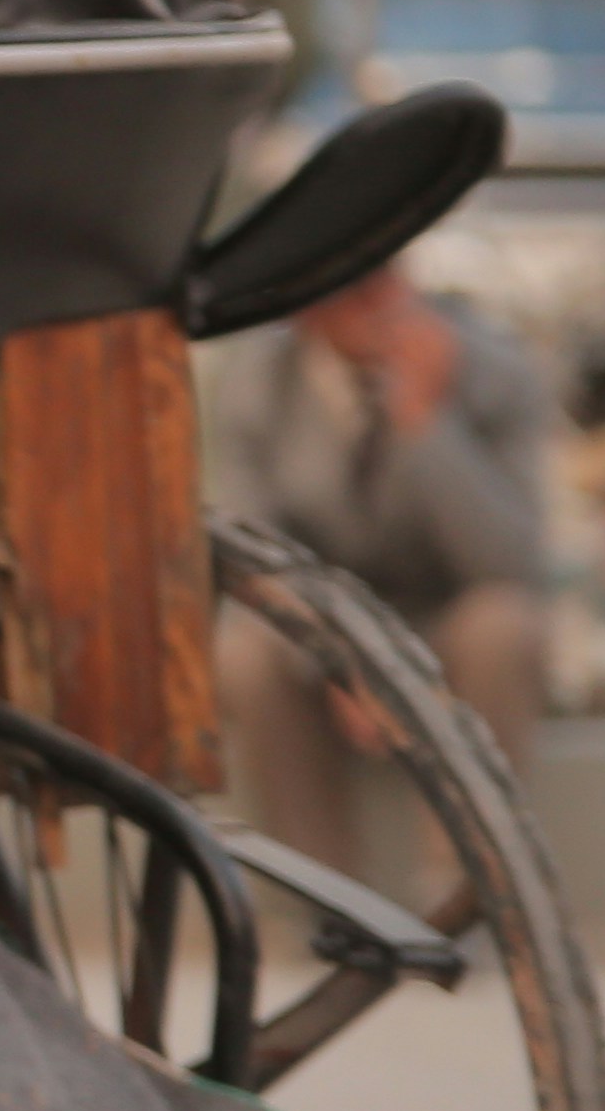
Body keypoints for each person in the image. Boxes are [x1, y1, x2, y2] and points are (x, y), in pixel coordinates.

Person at [205, 253, 555, 879]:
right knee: (245, 655)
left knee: (506, 625)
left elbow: (509, 560)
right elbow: (253, 559)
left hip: (445, 623)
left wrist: (425, 422)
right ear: (308, 304)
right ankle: (324, 899)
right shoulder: (257, 383)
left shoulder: (494, 371)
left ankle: (464, 893)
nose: (386, 303)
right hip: (320, 631)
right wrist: (342, 658)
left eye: (392, 277)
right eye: (358, 286)